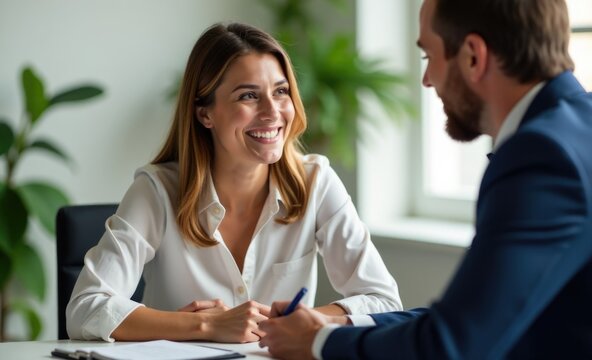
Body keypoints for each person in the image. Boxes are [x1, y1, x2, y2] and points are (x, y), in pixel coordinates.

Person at [258, 0, 592, 358]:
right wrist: (337, 324)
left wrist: (318, 343)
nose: (426, 79)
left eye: (429, 56)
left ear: (473, 56)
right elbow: (470, 318)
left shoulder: (545, 157)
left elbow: (452, 345)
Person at [66, 22, 402, 343]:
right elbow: (85, 308)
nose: (273, 112)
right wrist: (205, 324)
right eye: (248, 96)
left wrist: (309, 321)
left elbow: (383, 300)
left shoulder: (316, 183)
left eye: (281, 91)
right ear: (205, 114)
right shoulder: (157, 190)